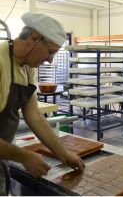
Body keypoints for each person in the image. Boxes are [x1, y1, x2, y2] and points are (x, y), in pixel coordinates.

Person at [0, 12, 84, 195]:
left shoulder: (28, 67)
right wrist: (24, 156)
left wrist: (62, 153)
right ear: (34, 39)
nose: (50, 60)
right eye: (51, 52)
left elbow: (34, 116)